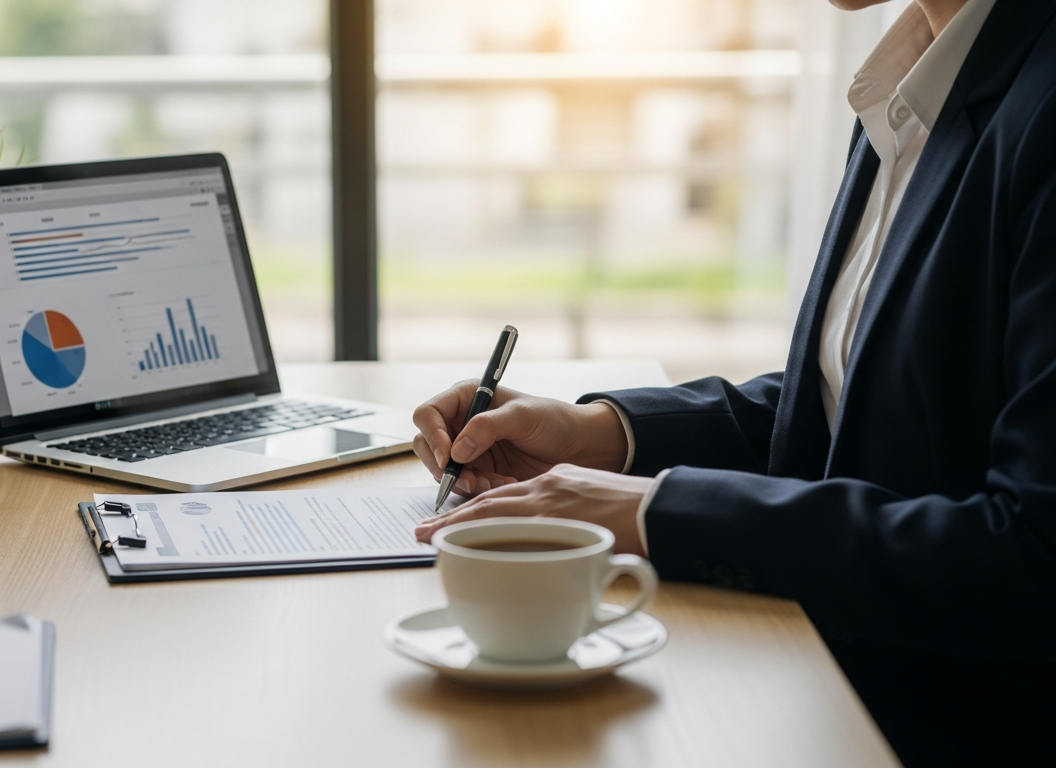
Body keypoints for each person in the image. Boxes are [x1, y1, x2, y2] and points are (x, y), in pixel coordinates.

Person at [410, 0, 1056, 765]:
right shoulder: (911, 82)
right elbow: (852, 401)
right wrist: (603, 437)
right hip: (828, 686)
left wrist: (661, 511)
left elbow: (1033, 555)